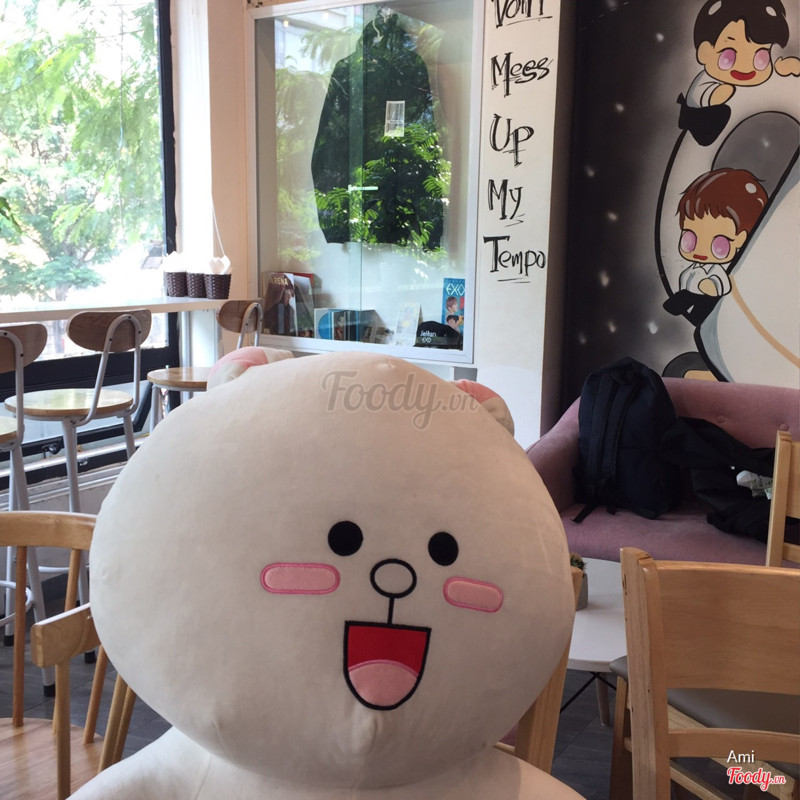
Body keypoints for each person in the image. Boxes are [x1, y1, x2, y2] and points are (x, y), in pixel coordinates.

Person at [678, 0, 800, 145]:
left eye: (760, 57)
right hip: (705, 132)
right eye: (729, 55)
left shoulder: (759, 84)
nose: (746, 67)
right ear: (705, 52)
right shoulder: (705, 81)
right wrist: (715, 95)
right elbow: (699, 96)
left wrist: (782, 69)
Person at [664, 168, 767, 322]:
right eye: (690, 237)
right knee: (686, 298)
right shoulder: (695, 266)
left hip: (704, 299)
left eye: (718, 242)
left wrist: (709, 286)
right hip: (691, 292)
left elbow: (722, 285)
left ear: (740, 239)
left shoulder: (718, 271)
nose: (701, 249)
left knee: (701, 306)